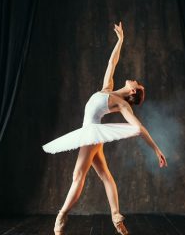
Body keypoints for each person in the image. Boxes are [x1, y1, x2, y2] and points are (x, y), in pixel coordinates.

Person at [42, 21, 167, 235]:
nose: (135, 80)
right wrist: (120, 40)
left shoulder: (122, 104)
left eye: (137, 84)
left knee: (77, 176)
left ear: (133, 92)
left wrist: (156, 149)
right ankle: (116, 216)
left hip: (92, 133)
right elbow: (112, 62)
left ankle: (62, 214)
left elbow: (139, 128)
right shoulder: (107, 89)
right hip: (92, 133)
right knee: (106, 176)